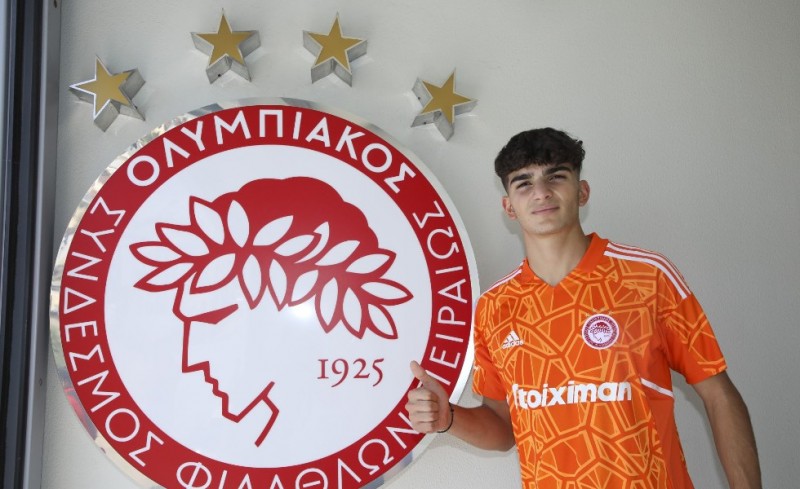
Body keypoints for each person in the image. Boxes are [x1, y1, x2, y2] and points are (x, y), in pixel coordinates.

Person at [406, 128, 761, 488]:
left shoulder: (648, 278)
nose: (541, 192)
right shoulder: (495, 307)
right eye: (524, 183)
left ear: (582, 191)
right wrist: (448, 418)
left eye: (556, 176)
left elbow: (718, 394)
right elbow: (502, 428)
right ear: (509, 206)